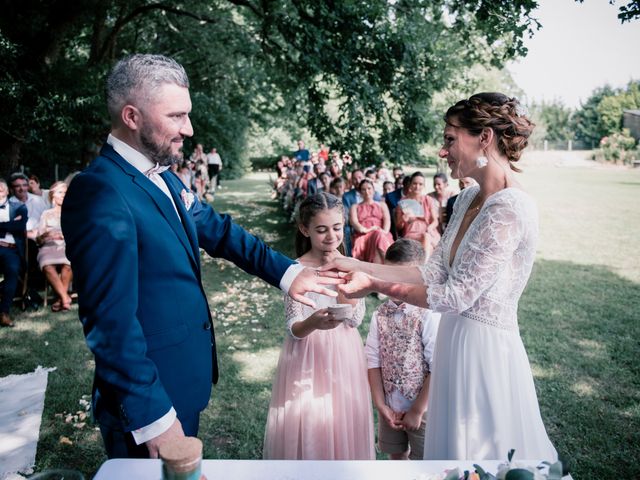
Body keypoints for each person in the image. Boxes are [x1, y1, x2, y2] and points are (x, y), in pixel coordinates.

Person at [60, 54, 341, 460]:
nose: (188, 129)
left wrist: (289, 272)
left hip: (182, 379)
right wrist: (154, 417)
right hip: (148, 402)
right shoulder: (99, 193)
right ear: (132, 116)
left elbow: (220, 231)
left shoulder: (163, 176)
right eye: (176, 116)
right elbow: (110, 323)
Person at [322, 92, 558, 463]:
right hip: (453, 340)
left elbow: (454, 295)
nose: (442, 151)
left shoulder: (511, 206)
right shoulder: (466, 200)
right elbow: (432, 271)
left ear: (485, 138)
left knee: (485, 455)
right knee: (451, 458)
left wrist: (374, 284)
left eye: (450, 138)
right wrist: (360, 266)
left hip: (484, 351)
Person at [263, 192, 375, 460]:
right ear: (305, 229)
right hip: (306, 355)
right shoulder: (296, 269)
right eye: (321, 230)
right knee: (309, 416)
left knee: (342, 417)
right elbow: (293, 327)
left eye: (337, 228)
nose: (331, 237)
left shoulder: (352, 264)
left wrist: (344, 282)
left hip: (344, 353)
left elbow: (355, 318)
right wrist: (312, 323)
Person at [365, 238, 440, 460]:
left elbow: (437, 365)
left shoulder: (428, 314)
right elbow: (373, 361)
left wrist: (417, 410)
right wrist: (381, 405)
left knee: (423, 462)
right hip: (390, 406)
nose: (393, 286)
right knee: (395, 458)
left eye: (402, 278)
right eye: (389, 276)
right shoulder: (379, 315)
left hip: (423, 409)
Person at [36, 181, 72, 312]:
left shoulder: (72, 213)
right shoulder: (46, 214)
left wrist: (67, 236)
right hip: (49, 247)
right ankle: (65, 298)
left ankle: (60, 299)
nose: (63, 195)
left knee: (68, 263)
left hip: (66, 246)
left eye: (66, 192)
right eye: (60, 192)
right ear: (53, 195)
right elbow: (38, 239)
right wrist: (47, 234)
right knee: (47, 265)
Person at [0, 179, 27, 327]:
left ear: (6, 191)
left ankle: (3, 313)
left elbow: (19, 226)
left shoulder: (19, 207)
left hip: (11, 249)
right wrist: (9, 225)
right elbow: (13, 225)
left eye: (0, 190)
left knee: (13, 271)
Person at [395, 172, 440, 257]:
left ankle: (422, 266)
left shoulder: (428, 200)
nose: (417, 187)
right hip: (412, 231)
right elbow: (398, 226)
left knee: (428, 244)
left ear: (424, 186)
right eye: (415, 183)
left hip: (428, 229)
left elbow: (435, 221)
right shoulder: (403, 202)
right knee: (427, 239)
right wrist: (402, 220)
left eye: (420, 184)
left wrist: (430, 228)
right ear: (410, 184)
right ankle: (424, 267)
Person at [350, 179, 393, 264]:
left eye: (369, 188)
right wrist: (370, 229)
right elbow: (354, 223)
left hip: (382, 232)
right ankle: (391, 264)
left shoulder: (382, 204)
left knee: (379, 237)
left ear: (373, 190)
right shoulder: (355, 207)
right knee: (377, 235)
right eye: (363, 189)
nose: (367, 191)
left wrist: (383, 231)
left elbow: (387, 221)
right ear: (360, 192)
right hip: (364, 234)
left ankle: (380, 270)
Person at [10, 173, 47, 240]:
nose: (22, 188)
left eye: (24, 185)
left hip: (40, 239)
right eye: (17, 186)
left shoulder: (38, 200)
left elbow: (47, 220)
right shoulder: (8, 205)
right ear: (12, 189)